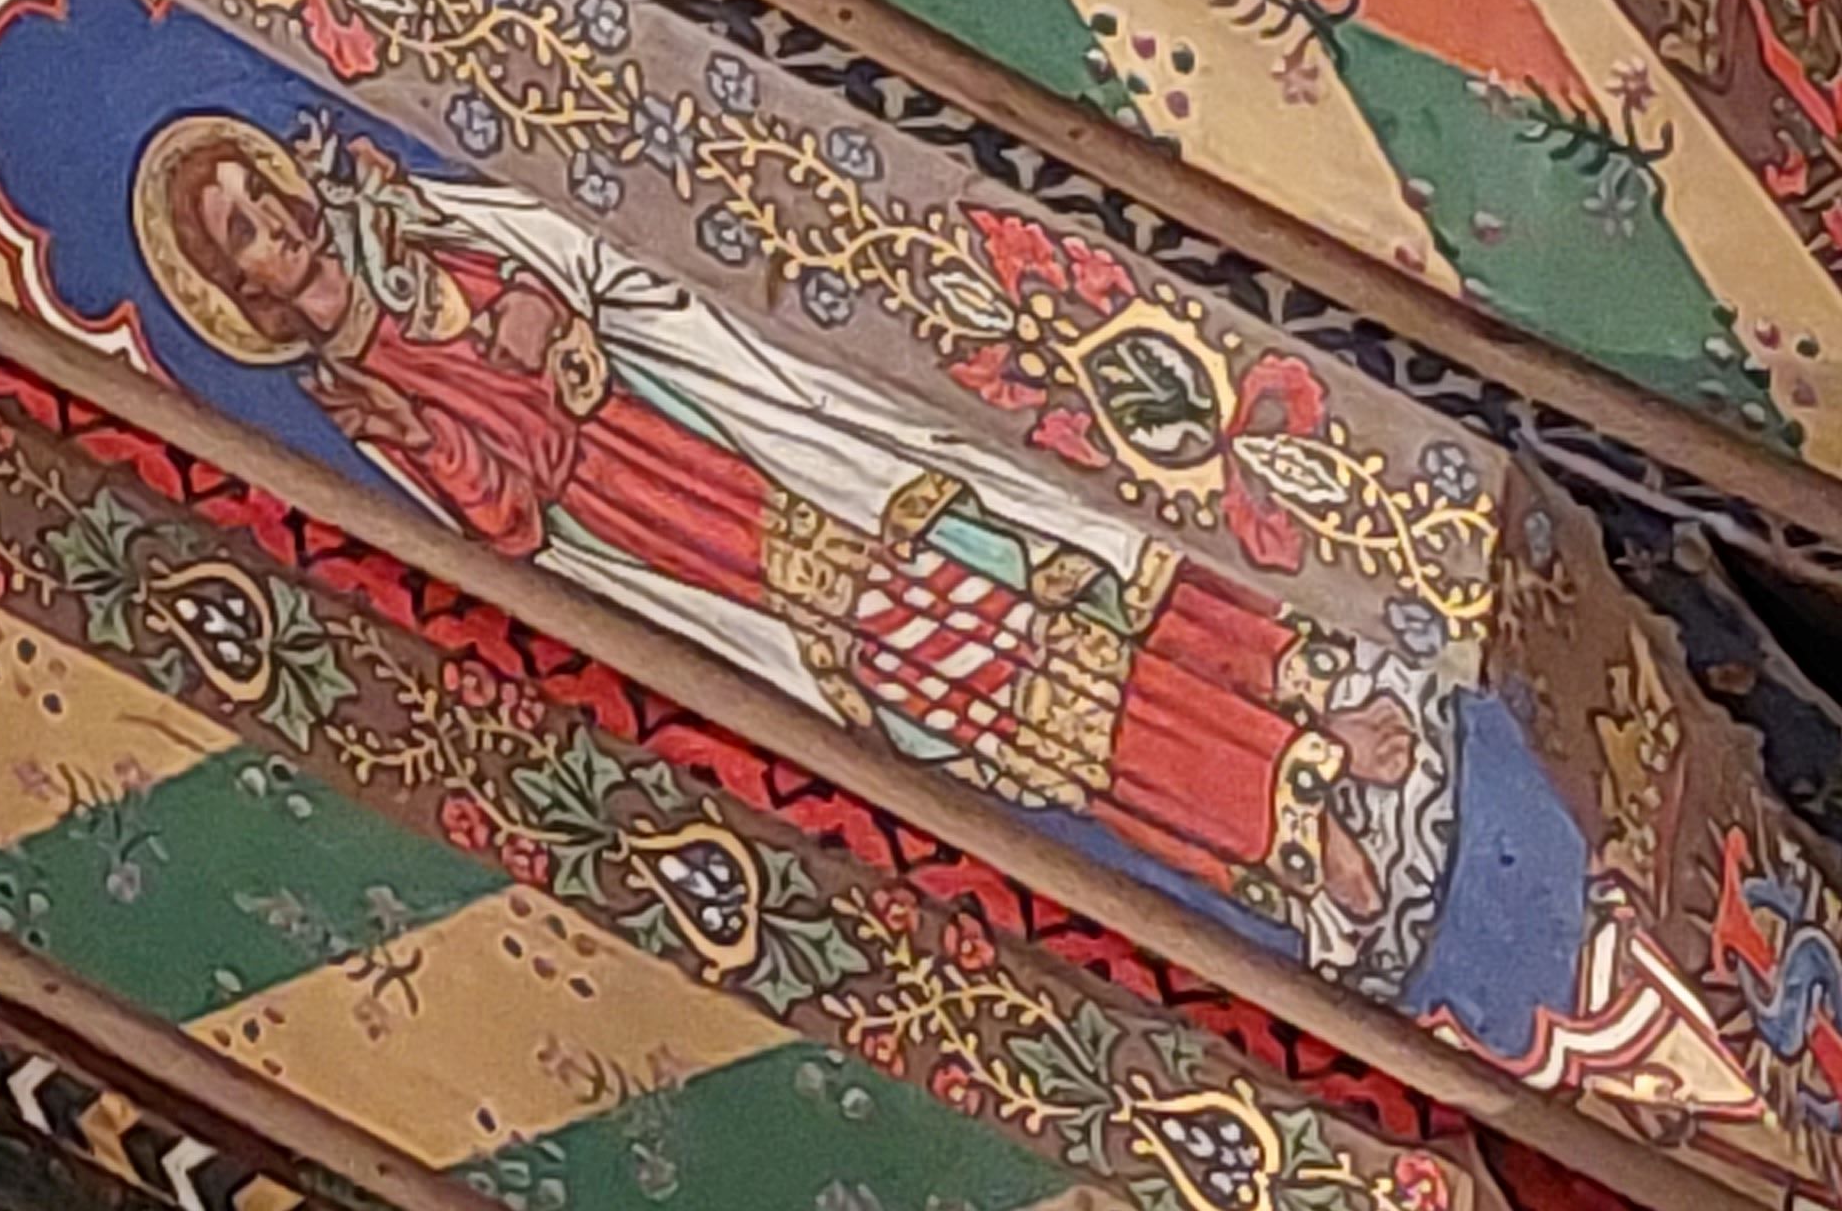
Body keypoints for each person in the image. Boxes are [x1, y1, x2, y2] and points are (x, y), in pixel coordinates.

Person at [131, 115, 1446, 967]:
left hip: (729, 422)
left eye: (269, 196)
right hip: (680, 530)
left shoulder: (415, 220)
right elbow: (504, 513)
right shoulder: (358, 395)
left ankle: (1295, 678)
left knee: (1010, 536)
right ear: (240, 284)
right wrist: (496, 392)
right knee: (968, 672)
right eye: (246, 231)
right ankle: (1280, 819)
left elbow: (572, 273)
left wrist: (541, 321)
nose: (280, 227)